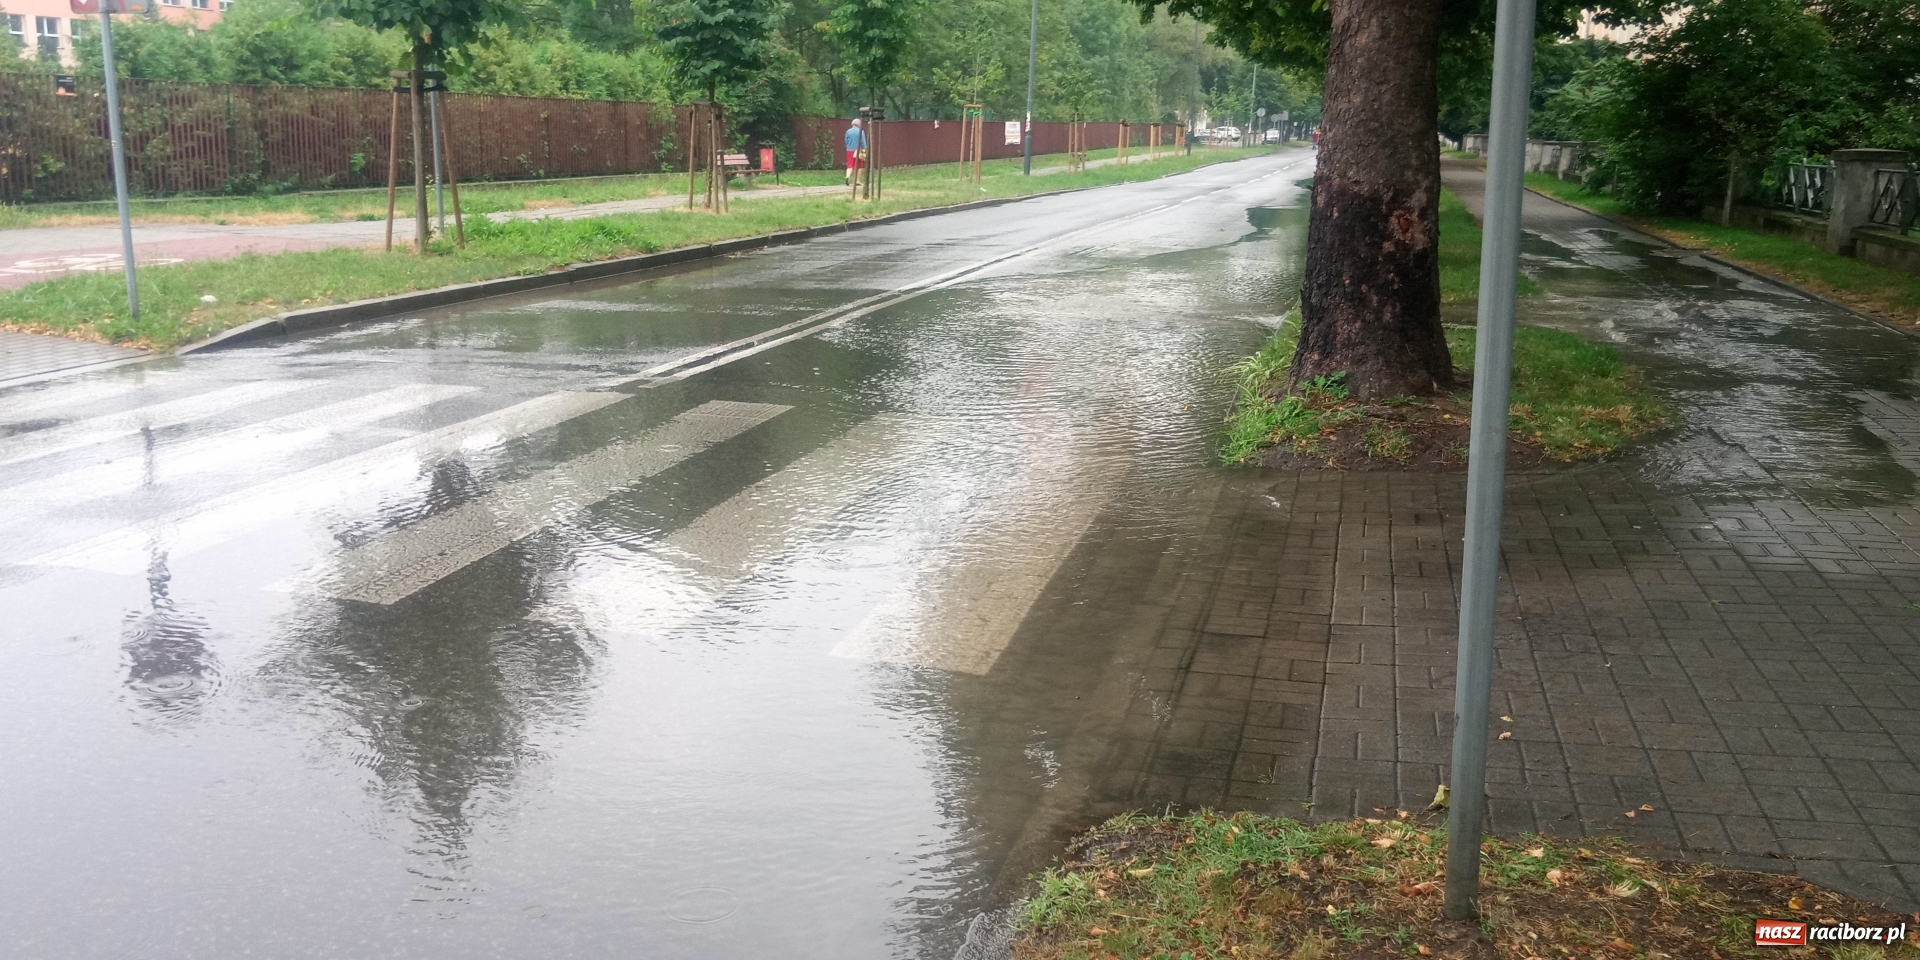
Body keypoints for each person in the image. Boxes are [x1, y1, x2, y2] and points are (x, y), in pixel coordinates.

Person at [844, 119, 867, 185]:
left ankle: (847, 177)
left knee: (850, 165)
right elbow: (863, 142)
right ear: (859, 124)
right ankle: (857, 181)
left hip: (849, 150)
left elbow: (846, 141)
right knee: (860, 165)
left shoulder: (848, 131)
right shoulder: (861, 131)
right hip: (860, 150)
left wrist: (848, 146)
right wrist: (865, 149)